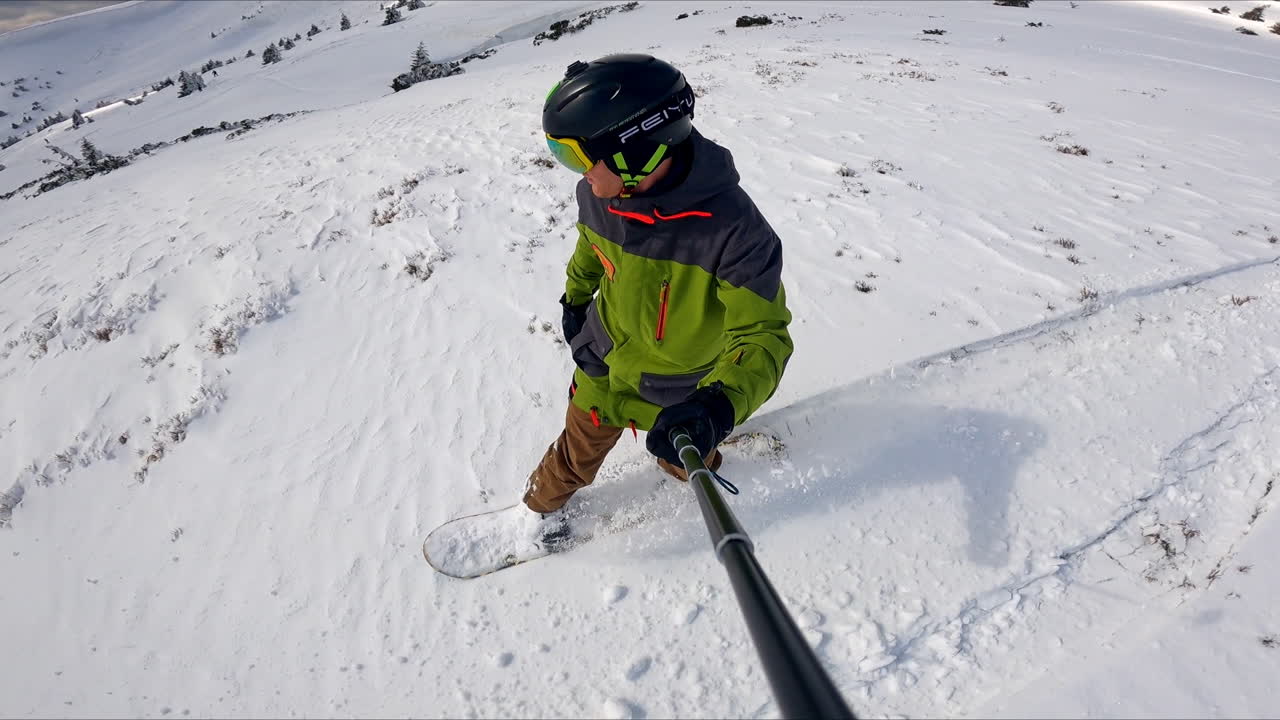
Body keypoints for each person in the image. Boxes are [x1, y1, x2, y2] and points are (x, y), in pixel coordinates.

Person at [526, 54, 793, 545]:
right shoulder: (600, 196)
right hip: (602, 365)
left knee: (682, 447)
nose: (578, 175)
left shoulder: (735, 233)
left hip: (679, 391)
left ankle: (697, 466)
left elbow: (763, 337)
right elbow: (590, 248)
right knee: (574, 452)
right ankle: (537, 511)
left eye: (579, 157)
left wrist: (716, 406)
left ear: (635, 152)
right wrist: (576, 298)